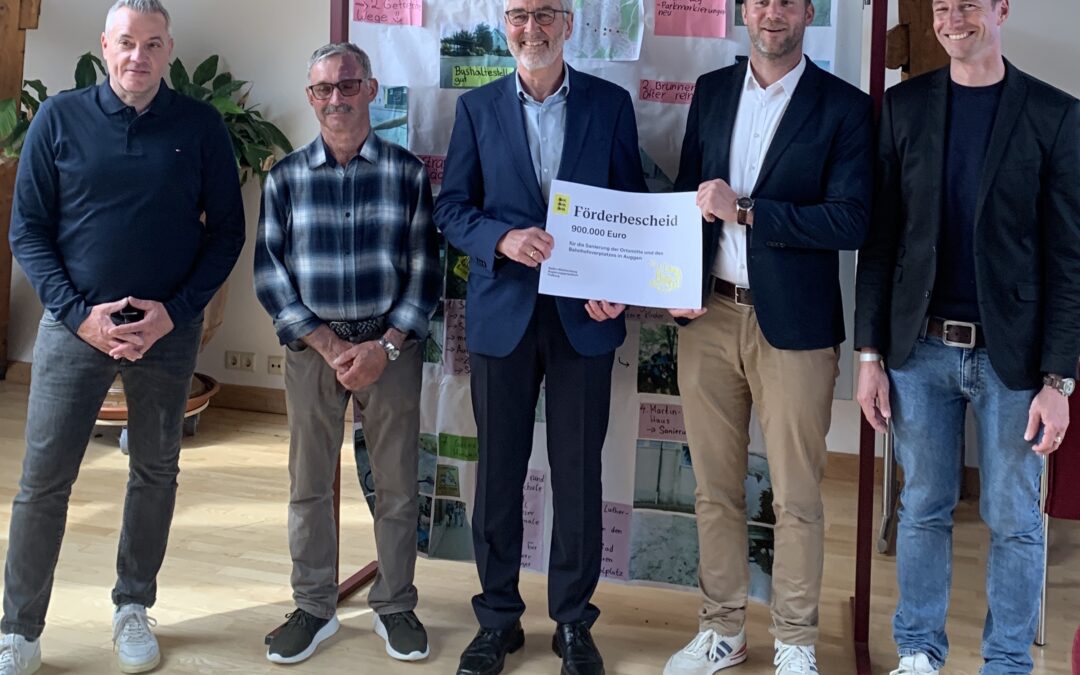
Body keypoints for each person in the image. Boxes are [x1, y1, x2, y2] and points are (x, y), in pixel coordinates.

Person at [0, 1, 245, 673]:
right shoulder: (58, 119)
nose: (139, 55)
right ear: (104, 46)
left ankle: (132, 604)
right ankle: (19, 627)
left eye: (153, 44)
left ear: (169, 51)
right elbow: (28, 231)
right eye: (127, 42)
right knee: (44, 480)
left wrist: (174, 312)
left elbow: (226, 231)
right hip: (73, 327)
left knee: (155, 469)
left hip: (165, 332)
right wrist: (81, 316)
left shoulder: (200, 127)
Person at [854, 1, 1079, 673]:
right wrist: (869, 356)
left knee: (1014, 517)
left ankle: (1007, 660)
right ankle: (918, 650)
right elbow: (881, 241)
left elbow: (1070, 259)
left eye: (969, 6)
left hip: (1013, 359)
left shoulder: (1054, 114)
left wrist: (1059, 380)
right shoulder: (904, 108)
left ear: (1001, 9)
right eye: (944, 8)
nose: (954, 20)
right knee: (922, 505)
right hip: (917, 349)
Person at [433, 0, 647, 672]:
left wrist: (620, 280)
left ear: (569, 24)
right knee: (498, 474)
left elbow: (632, 210)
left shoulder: (610, 106)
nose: (533, 28)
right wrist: (500, 236)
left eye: (546, 13)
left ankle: (574, 623)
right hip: (504, 318)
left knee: (580, 475)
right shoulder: (477, 110)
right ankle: (498, 619)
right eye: (521, 15)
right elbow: (451, 208)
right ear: (506, 26)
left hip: (587, 320)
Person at [662, 0, 873, 673]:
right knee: (714, 488)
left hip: (797, 327)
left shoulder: (844, 105)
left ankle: (795, 640)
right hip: (710, 317)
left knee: (797, 495)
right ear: (742, 11)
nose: (772, 12)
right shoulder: (712, 91)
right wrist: (677, 286)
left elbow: (850, 220)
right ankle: (722, 628)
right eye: (759, 0)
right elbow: (686, 198)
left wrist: (747, 210)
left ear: (809, 11)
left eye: (787, 0)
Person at [254, 42, 439, 666]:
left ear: (371, 89)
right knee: (308, 484)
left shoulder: (407, 173)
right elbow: (270, 276)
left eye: (347, 85)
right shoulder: (284, 178)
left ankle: (395, 604)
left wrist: (384, 347)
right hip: (313, 353)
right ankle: (312, 606)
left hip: (390, 350)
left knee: (395, 485)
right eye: (323, 89)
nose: (336, 98)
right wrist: (331, 345)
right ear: (312, 98)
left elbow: (424, 274)